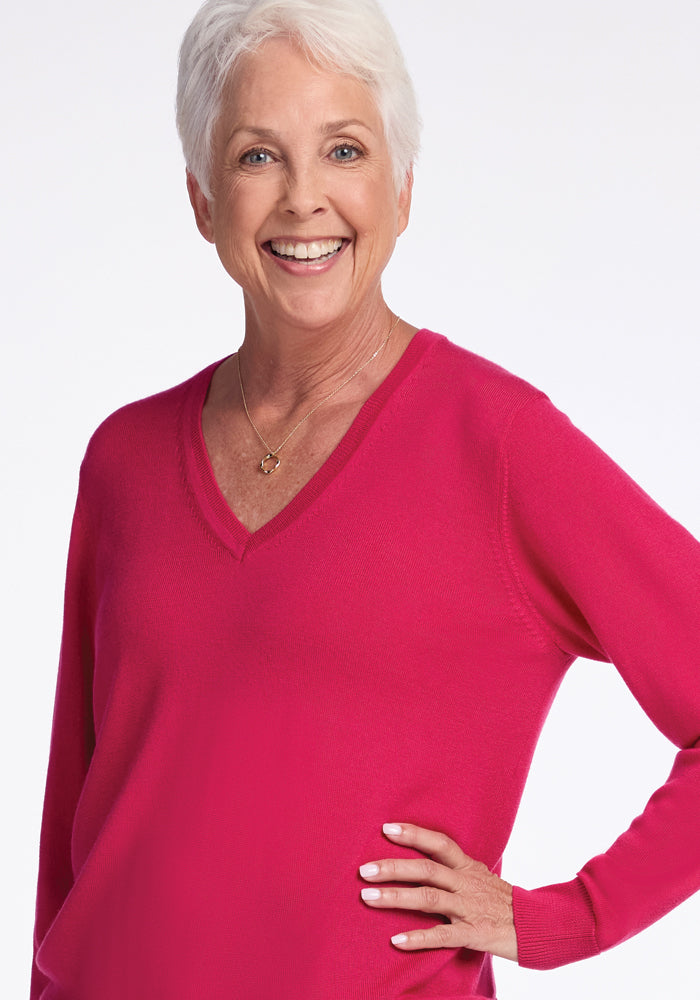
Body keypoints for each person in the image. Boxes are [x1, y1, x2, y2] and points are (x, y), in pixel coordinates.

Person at [30, 0, 700, 997]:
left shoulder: (499, 446)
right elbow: (73, 820)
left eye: (343, 150)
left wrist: (565, 916)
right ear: (202, 198)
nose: (304, 198)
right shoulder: (123, 460)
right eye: (258, 156)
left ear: (401, 188)